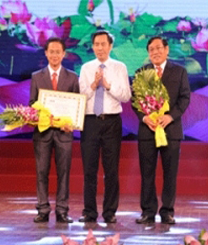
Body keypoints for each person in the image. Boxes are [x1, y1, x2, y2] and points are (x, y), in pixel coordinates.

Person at [133, 36, 191, 224]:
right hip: (147, 130)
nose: (155, 52)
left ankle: (167, 211)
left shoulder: (179, 71)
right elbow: (136, 102)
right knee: (147, 172)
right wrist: (144, 117)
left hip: (171, 130)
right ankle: (148, 211)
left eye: (158, 48)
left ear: (167, 50)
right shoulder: (142, 72)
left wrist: (170, 116)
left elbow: (184, 99)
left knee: (170, 172)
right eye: (151, 49)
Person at [78, 30, 131, 223]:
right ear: (92, 47)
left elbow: (126, 96)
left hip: (111, 122)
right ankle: (89, 212)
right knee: (89, 170)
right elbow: (81, 97)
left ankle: (110, 213)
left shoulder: (120, 67)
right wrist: (93, 85)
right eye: (96, 44)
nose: (100, 48)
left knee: (111, 170)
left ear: (110, 46)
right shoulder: (85, 68)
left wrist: (108, 86)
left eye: (103, 44)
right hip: (90, 121)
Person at [29, 37, 79, 223]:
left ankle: (62, 210)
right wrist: (42, 116)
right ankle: (42, 209)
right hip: (43, 133)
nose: (55, 55)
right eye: (52, 51)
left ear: (64, 54)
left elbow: (76, 106)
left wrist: (71, 122)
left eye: (58, 52)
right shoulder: (36, 77)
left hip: (64, 132)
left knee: (64, 172)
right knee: (42, 171)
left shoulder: (73, 77)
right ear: (46, 53)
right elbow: (32, 104)